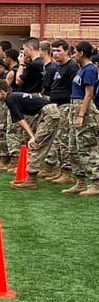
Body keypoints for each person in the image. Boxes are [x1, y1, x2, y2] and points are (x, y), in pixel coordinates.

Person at [0, 80, 58, 190]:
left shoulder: (10, 99)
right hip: (46, 112)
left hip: (48, 113)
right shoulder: (13, 97)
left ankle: (31, 180)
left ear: (2, 92)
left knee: (36, 144)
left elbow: (21, 120)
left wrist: (32, 136)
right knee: (37, 142)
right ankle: (30, 176)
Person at [61, 41, 99, 196]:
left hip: (85, 110)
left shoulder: (90, 69)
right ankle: (81, 181)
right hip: (75, 106)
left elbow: (88, 94)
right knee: (73, 148)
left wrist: (81, 115)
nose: (73, 55)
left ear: (82, 53)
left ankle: (96, 182)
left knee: (87, 147)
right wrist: (72, 112)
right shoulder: (81, 69)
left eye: (75, 52)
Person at [41, 39, 80, 183]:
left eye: (59, 50)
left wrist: (72, 110)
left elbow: (76, 89)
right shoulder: (58, 66)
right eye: (54, 51)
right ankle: (60, 169)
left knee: (64, 140)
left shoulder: (72, 67)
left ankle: (67, 172)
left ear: (67, 51)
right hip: (56, 105)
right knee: (57, 139)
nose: (55, 54)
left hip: (66, 106)